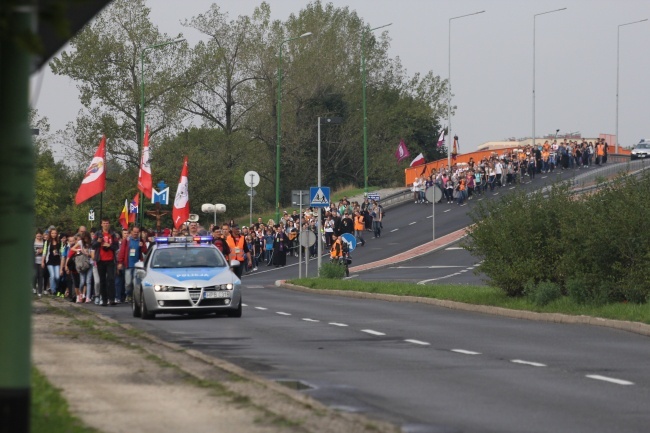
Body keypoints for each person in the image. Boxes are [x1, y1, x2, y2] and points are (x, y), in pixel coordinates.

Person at [92, 218, 120, 306]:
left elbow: (116, 246)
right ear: (101, 224)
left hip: (110, 260)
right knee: (102, 280)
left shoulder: (113, 234)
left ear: (109, 224)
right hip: (101, 260)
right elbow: (93, 245)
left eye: (107, 223)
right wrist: (98, 242)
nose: (106, 225)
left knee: (111, 279)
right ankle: (104, 299)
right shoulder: (97, 234)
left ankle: (112, 299)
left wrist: (110, 245)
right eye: (104, 223)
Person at [117, 226, 147, 303]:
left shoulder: (141, 241)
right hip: (128, 265)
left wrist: (142, 245)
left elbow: (145, 251)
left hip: (137, 265)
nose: (135, 234)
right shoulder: (126, 241)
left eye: (137, 232)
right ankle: (128, 294)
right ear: (131, 232)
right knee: (128, 283)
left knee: (135, 282)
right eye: (134, 232)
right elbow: (122, 252)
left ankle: (134, 297)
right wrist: (120, 262)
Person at [72, 231, 94, 303]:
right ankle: (81, 293)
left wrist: (89, 254)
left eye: (87, 238)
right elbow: (72, 248)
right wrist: (80, 250)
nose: (86, 240)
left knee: (88, 281)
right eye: (84, 238)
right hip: (82, 263)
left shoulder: (92, 243)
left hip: (90, 263)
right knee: (82, 281)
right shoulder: (80, 242)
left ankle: (88, 297)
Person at [42, 228, 63, 296]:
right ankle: (53, 290)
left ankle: (56, 287)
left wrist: (62, 264)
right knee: (52, 276)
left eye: (55, 233)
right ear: (50, 234)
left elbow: (62, 253)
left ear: (57, 234)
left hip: (57, 261)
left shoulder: (60, 242)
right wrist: (43, 261)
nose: (54, 234)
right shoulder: (47, 242)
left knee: (57, 277)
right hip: (50, 261)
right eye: (52, 233)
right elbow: (44, 252)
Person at [33, 230, 45, 297]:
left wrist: (42, 251)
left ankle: (40, 291)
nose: (39, 237)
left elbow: (45, 251)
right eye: (38, 236)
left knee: (40, 276)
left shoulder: (44, 242)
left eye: (40, 236)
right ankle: (34, 287)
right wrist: (36, 252)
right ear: (35, 235)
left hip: (41, 261)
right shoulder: (32, 242)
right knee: (35, 275)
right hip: (34, 261)